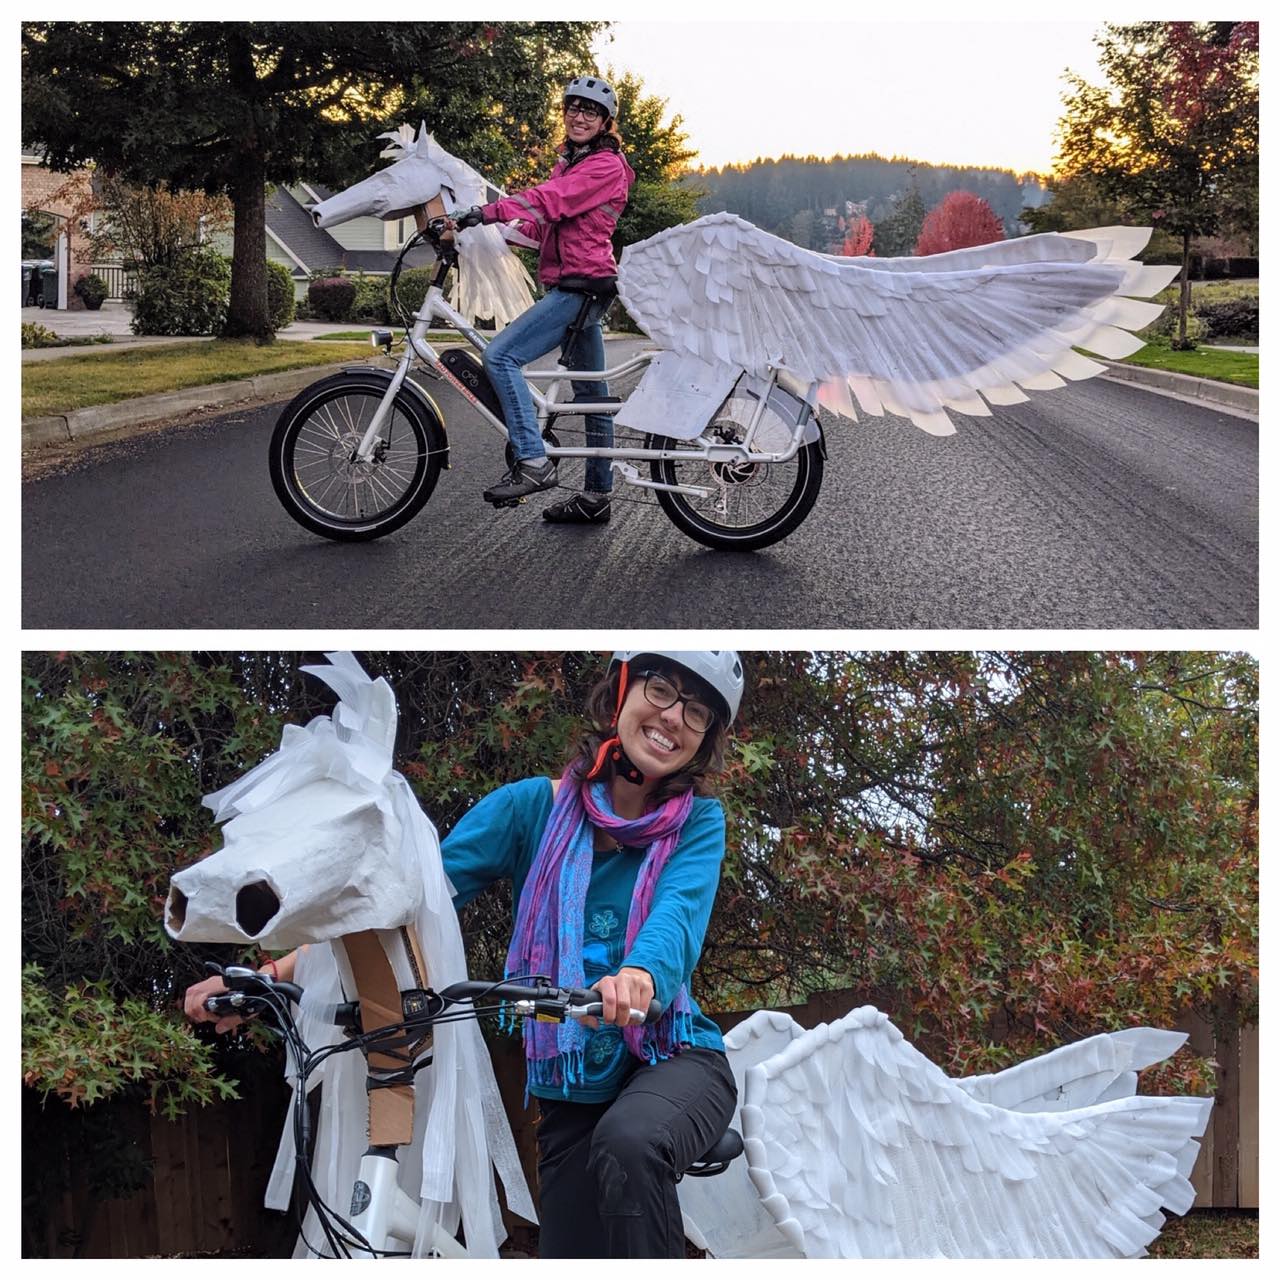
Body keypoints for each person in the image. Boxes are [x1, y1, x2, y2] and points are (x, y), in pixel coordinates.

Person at [184, 650, 744, 1259]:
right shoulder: (532, 808)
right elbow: (405, 900)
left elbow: (677, 919)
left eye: (698, 712)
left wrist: (638, 975)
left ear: (706, 739)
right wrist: (270, 976)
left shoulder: (698, 824)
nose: (673, 717)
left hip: (675, 1059)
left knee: (630, 1142)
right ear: (622, 692)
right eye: (660, 690)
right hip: (571, 1092)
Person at [446, 75, 636, 521]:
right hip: (581, 283)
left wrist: (485, 211)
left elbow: (550, 201)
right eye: (573, 106)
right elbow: (542, 224)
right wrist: (491, 233)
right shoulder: (573, 163)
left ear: (606, 121)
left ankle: (532, 460)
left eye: (590, 111)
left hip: (581, 285)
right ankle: (595, 500)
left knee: (501, 357)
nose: (579, 115)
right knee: (593, 396)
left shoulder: (604, 166)